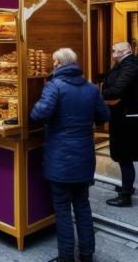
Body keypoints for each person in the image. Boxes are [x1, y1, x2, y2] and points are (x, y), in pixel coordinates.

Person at [30, 48, 109, 262]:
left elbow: (38, 114)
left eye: (54, 62)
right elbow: (104, 115)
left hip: (60, 157)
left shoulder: (54, 86)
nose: (52, 65)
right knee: (82, 205)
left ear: (58, 63)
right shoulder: (92, 89)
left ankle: (66, 257)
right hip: (84, 156)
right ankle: (86, 254)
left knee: (63, 209)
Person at [102, 41, 138, 207]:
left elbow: (118, 89)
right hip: (121, 116)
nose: (112, 53)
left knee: (125, 156)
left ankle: (126, 195)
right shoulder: (122, 64)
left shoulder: (130, 66)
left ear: (125, 51)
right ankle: (126, 187)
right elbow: (110, 81)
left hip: (128, 118)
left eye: (114, 51)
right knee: (123, 155)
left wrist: (97, 94)